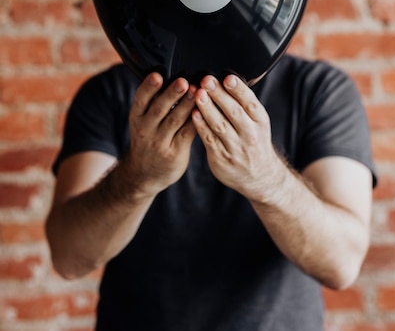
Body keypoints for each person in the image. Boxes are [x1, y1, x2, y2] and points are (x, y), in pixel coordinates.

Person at [46, 54, 376, 330]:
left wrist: (266, 178)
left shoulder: (320, 89)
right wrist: (137, 178)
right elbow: (68, 257)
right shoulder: (110, 92)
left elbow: (341, 262)